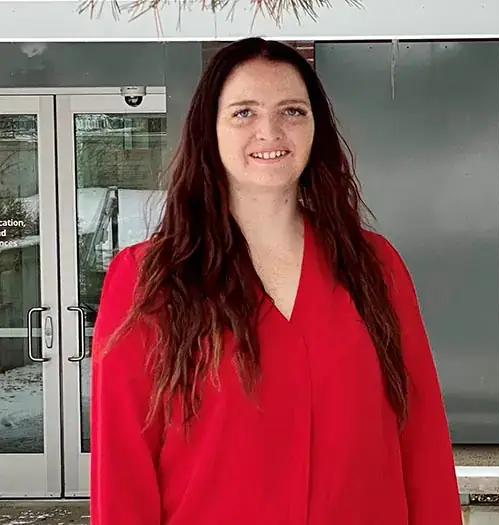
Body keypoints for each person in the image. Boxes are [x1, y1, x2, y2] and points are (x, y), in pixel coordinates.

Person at [89, 37, 463, 525]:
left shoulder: (375, 266)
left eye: (292, 111)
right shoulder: (149, 279)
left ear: (315, 128)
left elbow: (421, 441)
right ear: (210, 130)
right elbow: (123, 467)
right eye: (244, 112)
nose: (270, 130)